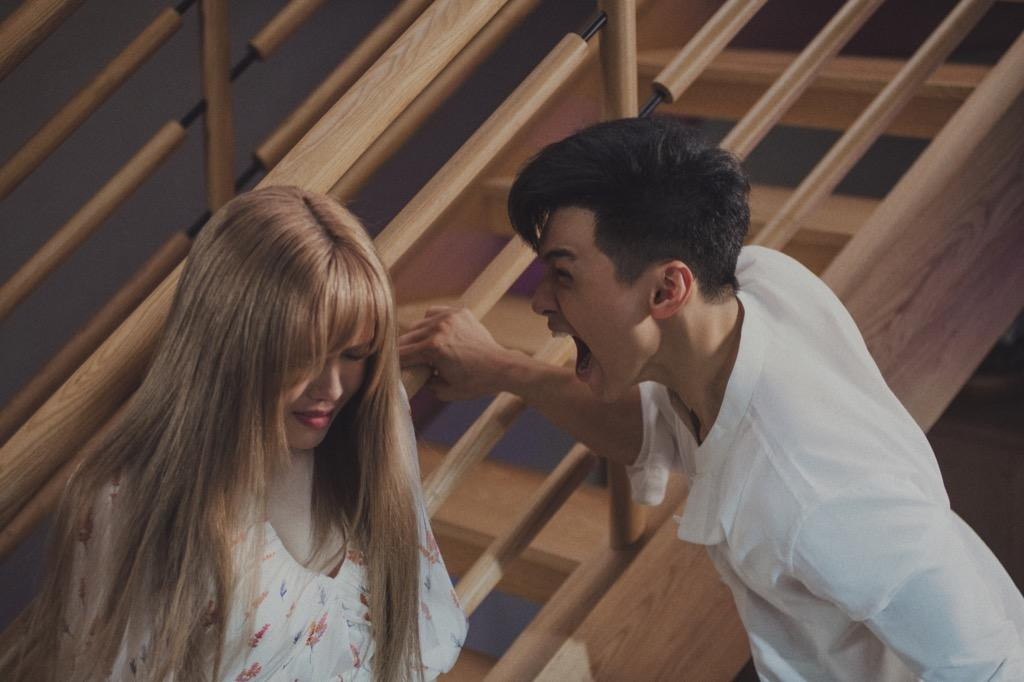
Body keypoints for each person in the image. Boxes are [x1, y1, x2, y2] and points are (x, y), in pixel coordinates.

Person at [398, 117, 1024, 679]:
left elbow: (994, 665)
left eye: (563, 275)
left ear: (668, 290)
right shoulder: (752, 284)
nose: (539, 301)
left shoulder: (816, 493)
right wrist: (504, 369)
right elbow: (649, 431)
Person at [6, 186, 466, 681]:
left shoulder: (374, 424)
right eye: (305, 355)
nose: (332, 388)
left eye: (354, 355)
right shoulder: (133, 503)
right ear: (233, 345)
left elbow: (417, 641)